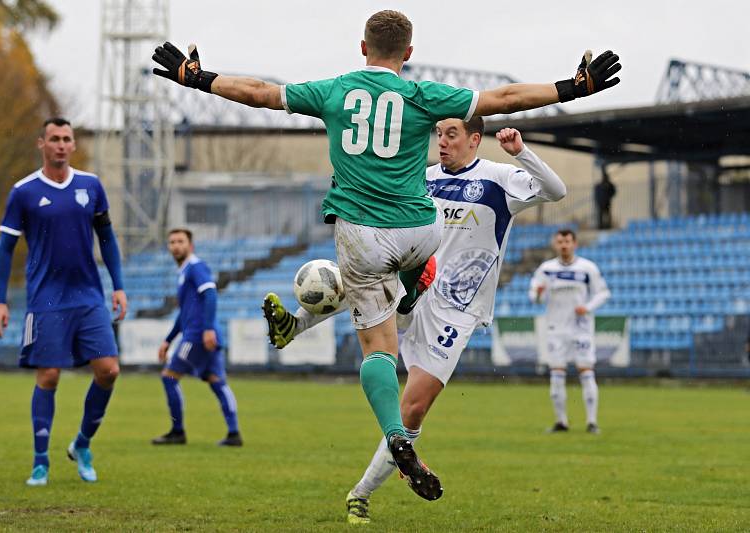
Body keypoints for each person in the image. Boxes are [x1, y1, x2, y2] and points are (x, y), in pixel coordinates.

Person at [151, 9, 620, 501]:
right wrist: (573, 86)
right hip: (421, 232)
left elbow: (260, 93)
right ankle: (404, 291)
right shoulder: (421, 95)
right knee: (399, 271)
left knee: (377, 345)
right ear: (409, 55)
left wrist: (199, 78)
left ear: (362, 47)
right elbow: (505, 98)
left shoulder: (333, 90)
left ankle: (394, 429)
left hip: (363, 233)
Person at [264, 120, 567, 523]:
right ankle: (294, 326)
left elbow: (556, 190)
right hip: (412, 285)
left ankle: (360, 494)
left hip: (454, 310)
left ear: (474, 139)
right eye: (439, 133)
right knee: (367, 270)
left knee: (413, 409)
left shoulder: (499, 178)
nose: (442, 141)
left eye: (452, 134)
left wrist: (521, 152)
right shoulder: (419, 179)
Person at [0, 117, 127, 486]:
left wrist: (118, 285)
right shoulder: (23, 191)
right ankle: (40, 462)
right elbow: (5, 249)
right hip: (46, 298)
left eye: (67, 139)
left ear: (73, 145)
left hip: (88, 294)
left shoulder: (91, 186)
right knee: (49, 375)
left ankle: (82, 444)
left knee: (109, 370)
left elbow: (107, 238)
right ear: (42, 144)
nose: (62, 145)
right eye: (55, 139)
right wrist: (0, 301)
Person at [152, 228, 242, 447]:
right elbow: (184, 313)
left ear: (190, 246)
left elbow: (210, 293)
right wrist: (168, 339)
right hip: (203, 335)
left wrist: (208, 328)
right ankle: (234, 434)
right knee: (217, 382)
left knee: (169, 377)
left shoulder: (195, 267)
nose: (175, 245)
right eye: (172, 242)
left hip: (197, 336)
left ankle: (177, 431)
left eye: (180, 241)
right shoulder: (184, 272)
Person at [529, 229, 611, 434]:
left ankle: (592, 422)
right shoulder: (546, 269)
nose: (564, 245)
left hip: (580, 328)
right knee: (556, 373)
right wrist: (538, 294)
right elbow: (534, 297)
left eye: (567, 241)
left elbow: (603, 293)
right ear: (555, 245)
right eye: (560, 241)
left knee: (586, 371)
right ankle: (561, 421)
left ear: (575, 244)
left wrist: (588, 307)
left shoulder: (587, 268)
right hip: (556, 328)